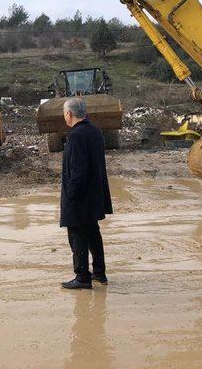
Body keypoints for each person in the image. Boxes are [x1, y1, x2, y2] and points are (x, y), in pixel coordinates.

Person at [60, 97, 113, 290]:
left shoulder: (76, 136)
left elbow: (77, 170)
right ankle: (100, 273)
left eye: (64, 114)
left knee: (77, 235)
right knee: (92, 233)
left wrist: (71, 196)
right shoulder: (95, 132)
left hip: (80, 195)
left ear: (69, 114)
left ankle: (82, 277)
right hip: (94, 194)